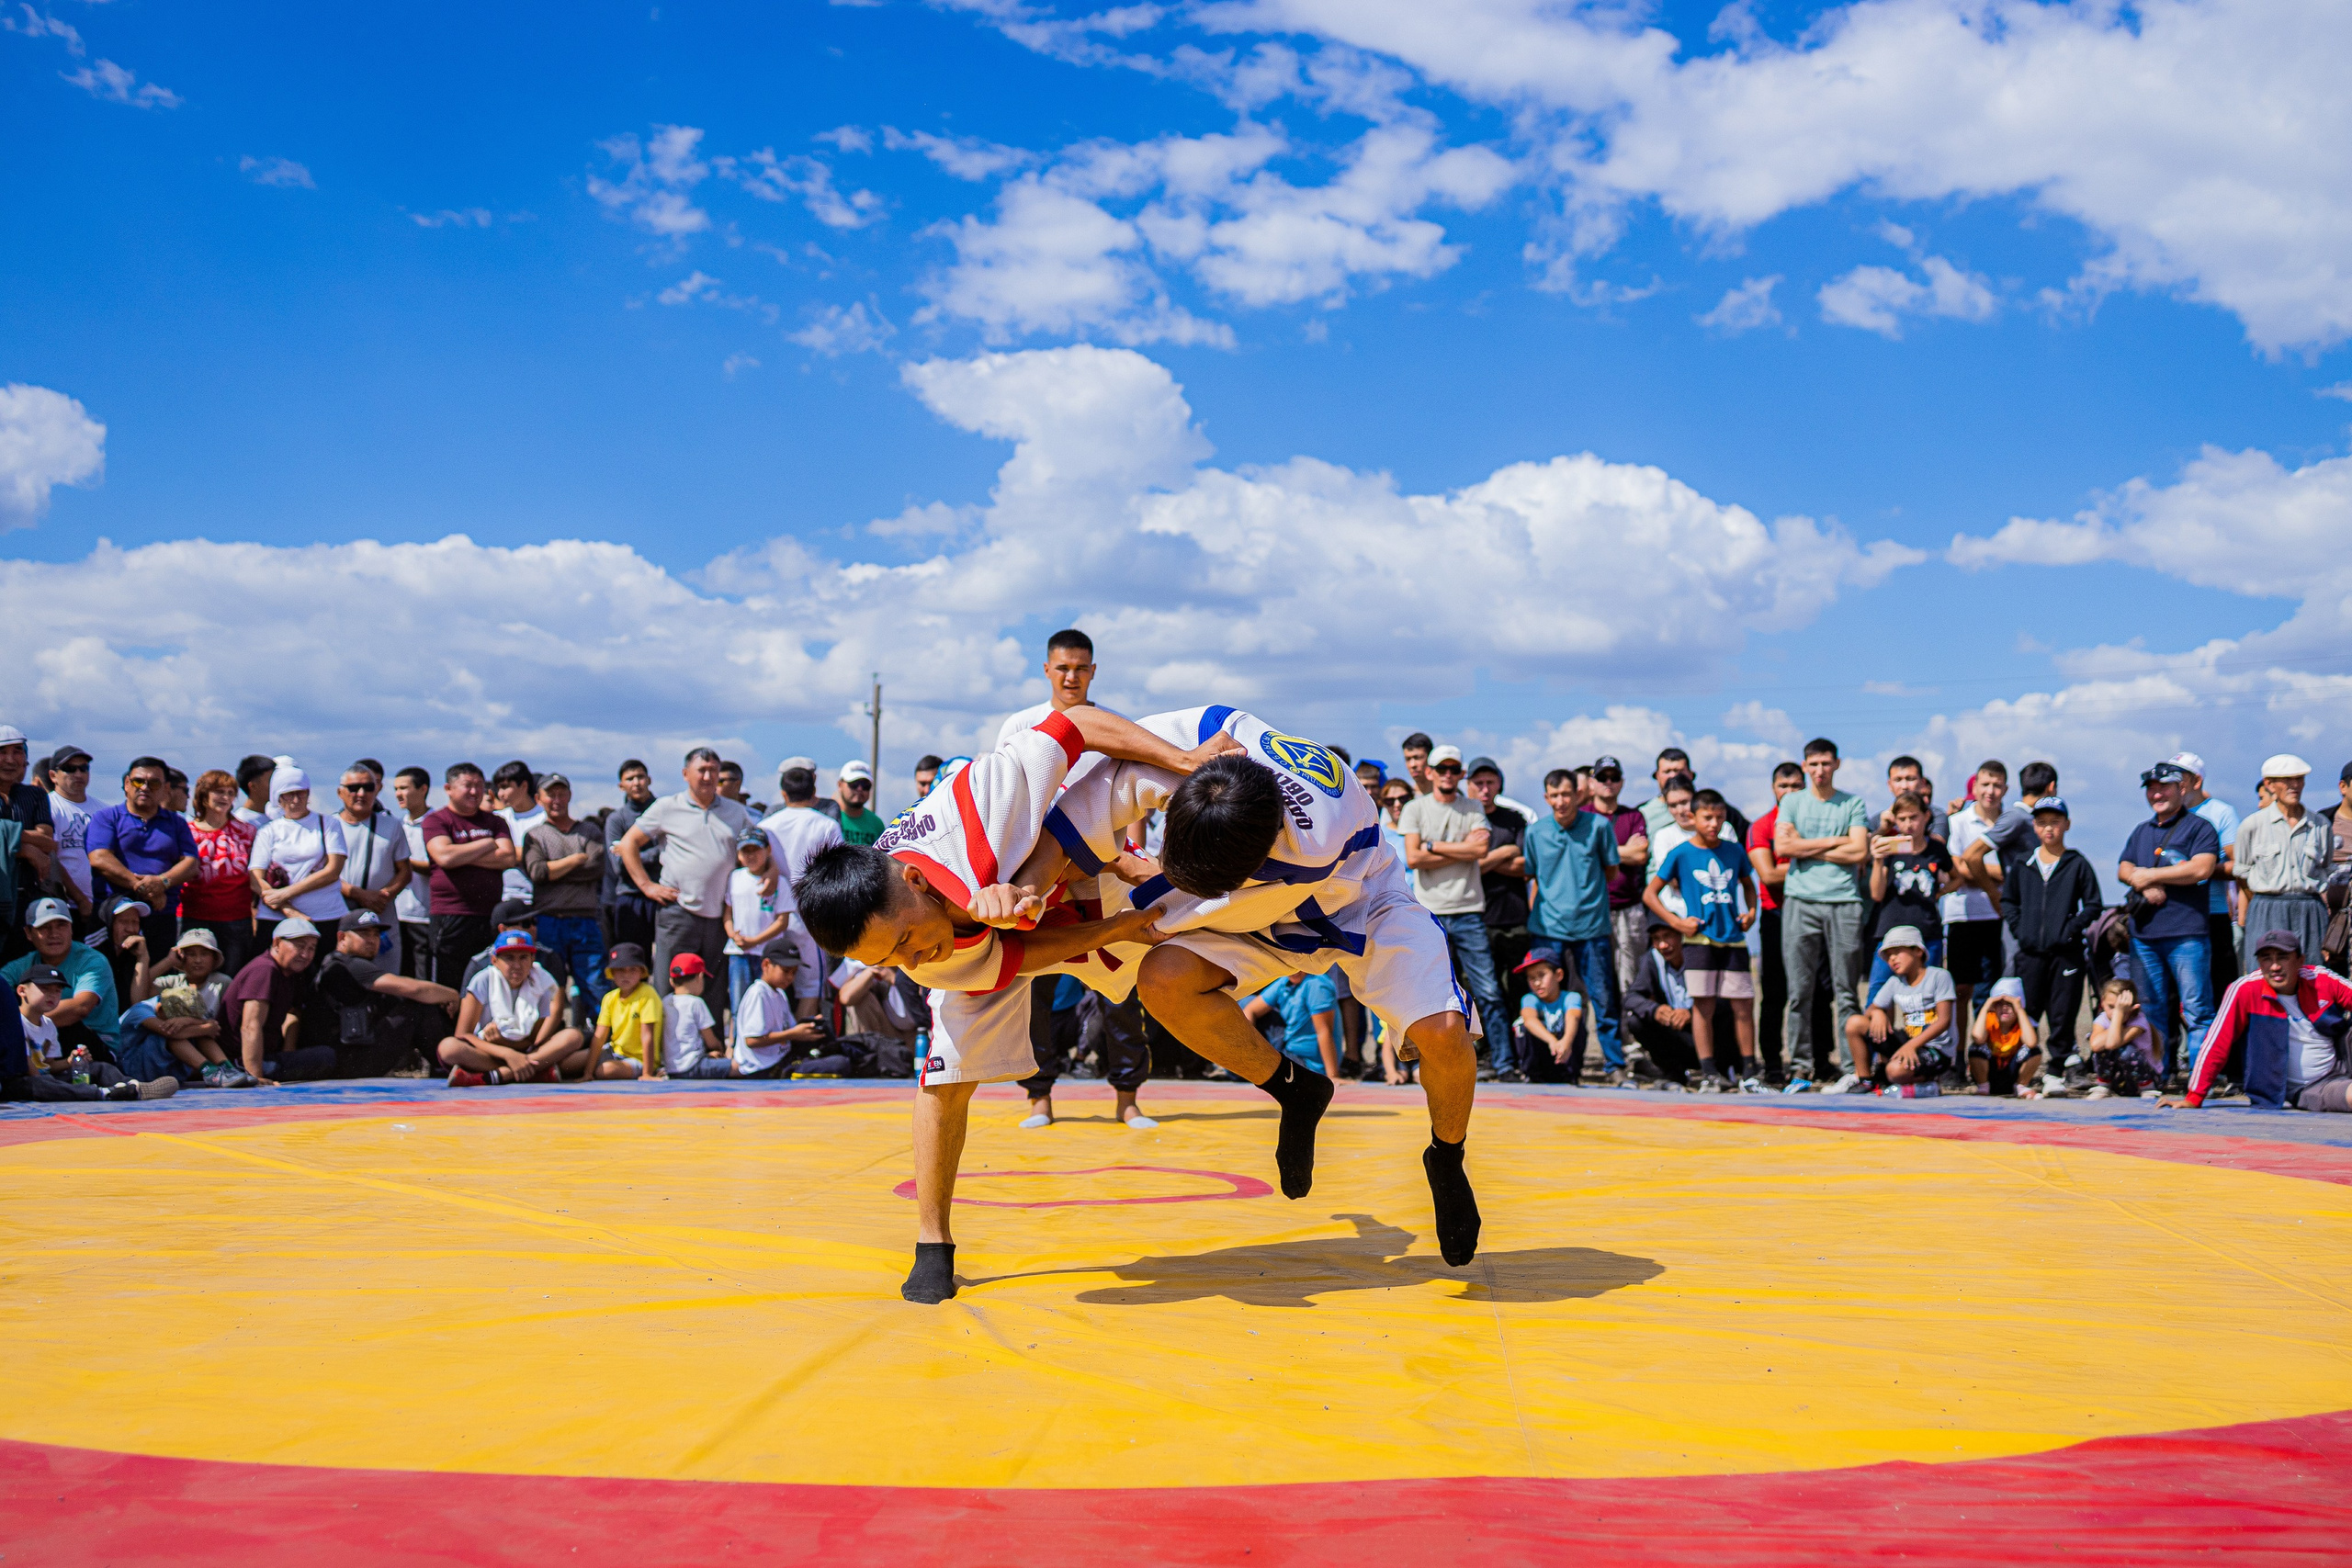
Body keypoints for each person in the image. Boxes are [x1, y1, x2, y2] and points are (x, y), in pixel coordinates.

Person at [791, 705, 1238, 1303]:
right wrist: (1113, 930)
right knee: (943, 1080)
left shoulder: (982, 808)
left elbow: (1073, 721)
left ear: (918, 883)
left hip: (1062, 848)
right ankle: (933, 1240)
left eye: (903, 941)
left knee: (1157, 790)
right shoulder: (925, 952)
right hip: (1016, 915)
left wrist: (1184, 759)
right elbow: (1019, 956)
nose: (912, 963)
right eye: (890, 961)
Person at [1400, 745, 1510, 1077]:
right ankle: (1432, 1063)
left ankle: (1504, 1064)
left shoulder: (1473, 805)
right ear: (1430, 772)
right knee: (1429, 994)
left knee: (1488, 989)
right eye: (1441, 768)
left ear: (1461, 773)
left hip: (1469, 911)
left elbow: (1479, 848)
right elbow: (1413, 858)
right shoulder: (1414, 808)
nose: (1448, 774)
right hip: (1430, 913)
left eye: (1453, 769)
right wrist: (1459, 851)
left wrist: (1432, 845)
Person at [619, 749, 757, 1008]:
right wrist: (646, 886)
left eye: (713, 771)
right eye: (701, 770)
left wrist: (770, 873)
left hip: (720, 916)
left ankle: (712, 1047)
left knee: (714, 989)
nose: (708, 776)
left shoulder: (737, 812)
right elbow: (628, 845)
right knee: (669, 986)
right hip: (678, 912)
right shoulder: (667, 807)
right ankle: (664, 1047)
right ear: (685, 774)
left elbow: (759, 850)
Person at [1645, 788, 1761, 1089]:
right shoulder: (1681, 853)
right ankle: (1708, 1071)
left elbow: (1749, 884)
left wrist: (1751, 912)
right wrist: (1676, 923)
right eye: (1707, 817)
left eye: (1719, 818)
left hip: (1733, 938)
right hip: (1698, 940)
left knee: (1743, 1005)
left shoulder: (1734, 850)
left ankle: (1750, 1069)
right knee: (1703, 1006)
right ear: (1692, 817)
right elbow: (1650, 893)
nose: (1714, 824)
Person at [2118, 760, 2223, 1079]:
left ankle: (2199, 1078)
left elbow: (2202, 868)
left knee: (2197, 1011)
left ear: (2182, 788)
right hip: (2145, 936)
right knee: (2150, 1010)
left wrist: (2149, 875)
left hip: (2187, 934)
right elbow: (2124, 869)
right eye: (2151, 788)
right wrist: (2144, 881)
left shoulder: (2200, 827)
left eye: (2164, 787)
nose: (2157, 794)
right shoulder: (2141, 831)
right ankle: (2157, 1076)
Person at [2172, 929, 2351, 1111]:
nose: (2275, 966)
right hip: (2313, 1087)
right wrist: (2194, 1097)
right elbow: (2216, 1043)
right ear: (2259, 962)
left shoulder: (2320, 978)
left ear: (2300, 961)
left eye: (2283, 957)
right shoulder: (2244, 990)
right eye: (2266, 958)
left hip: (2343, 1062)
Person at [1774, 739, 1869, 1081]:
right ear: (1804, 767)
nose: (1820, 770)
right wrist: (1837, 840)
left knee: (1846, 991)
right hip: (1801, 901)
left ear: (1837, 764)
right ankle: (1800, 1067)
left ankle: (1851, 1068)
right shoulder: (1792, 802)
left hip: (1844, 901)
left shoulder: (1852, 803)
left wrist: (1807, 848)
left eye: (1826, 763)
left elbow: (1860, 852)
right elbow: (1783, 846)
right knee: (1799, 991)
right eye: (1813, 764)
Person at [1524, 767, 1623, 1083]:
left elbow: (1611, 871)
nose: (1561, 801)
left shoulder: (1599, 826)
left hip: (1592, 927)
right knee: (1545, 996)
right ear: (1546, 797)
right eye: (1554, 795)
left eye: (1566, 794)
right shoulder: (1535, 832)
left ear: (1579, 794)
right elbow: (1533, 875)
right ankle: (1547, 1065)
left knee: (1603, 997)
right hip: (1548, 927)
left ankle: (1614, 1065)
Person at [1997, 795, 2100, 1082]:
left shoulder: (2076, 863)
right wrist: (2021, 930)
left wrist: (2069, 929)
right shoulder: (2023, 863)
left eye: (2055, 822)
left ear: (2067, 824)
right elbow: (2009, 901)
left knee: (2063, 1012)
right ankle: (2022, 1068)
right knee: (2028, 1011)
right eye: (2042, 823)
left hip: (2065, 953)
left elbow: (2092, 905)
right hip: (2030, 953)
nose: (2049, 828)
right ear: (2034, 826)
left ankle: (2061, 1067)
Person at [311, 912, 462, 1077]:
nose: (372, 939)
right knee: (417, 1009)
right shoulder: (350, 965)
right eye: (364, 933)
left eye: (376, 934)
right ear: (342, 938)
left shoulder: (335, 961)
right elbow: (413, 989)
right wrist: (453, 995)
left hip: (343, 1058)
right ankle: (449, 1066)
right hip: (348, 1062)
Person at [422, 762, 519, 990]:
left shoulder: (496, 822)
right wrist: (486, 843)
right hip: (450, 915)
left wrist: (460, 854)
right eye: (468, 786)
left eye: (479, 786)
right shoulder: (437, 820)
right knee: (448, 984)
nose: (475, 792)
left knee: (487, 982)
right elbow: (444, 856)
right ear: (448, 788)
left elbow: (507, 858)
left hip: (489, 915)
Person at [86, 755, 199, 953]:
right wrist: (146, 890)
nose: (145, 788)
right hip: (114, 913)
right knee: (110, 974)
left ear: (166, 789)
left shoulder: (177, 823)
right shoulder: (106, 817)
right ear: (127, 784)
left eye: (154, 783)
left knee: (157, 975)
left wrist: (162, 883)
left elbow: (191, 863)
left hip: (161, 914)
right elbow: (99, 858)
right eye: (138, 781)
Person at [2230, 755, 2333, 972]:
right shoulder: (2252, 825)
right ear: (2269, 784)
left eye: (2299, 779)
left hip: (2309, 908)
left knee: (2313, 973)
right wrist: (2263, 901)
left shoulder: (2320, 825)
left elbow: (2325, 867)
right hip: (2267, 906)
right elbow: (2242, 873)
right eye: (2287, 780)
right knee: (2264, 974)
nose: (2294, 786)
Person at [441, 929, 582, 1086]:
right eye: (509, 958)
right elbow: (463, 1034)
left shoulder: (543, 981)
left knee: (573, 1037)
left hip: (527, 1052)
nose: (517, 965)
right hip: (489, 1052)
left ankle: (501, 1075)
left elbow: (534, 1040)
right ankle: (534, 1073)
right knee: (449, 1048)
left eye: (523, 958)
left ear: (532, 959)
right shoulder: (482, 980)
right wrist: (506, 1053)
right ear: (494, 960)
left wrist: (508, 1045)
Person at [521, 773, 608, 1016]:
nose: (557, 800)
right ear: (539, 799)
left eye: (562, 794)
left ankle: (602, 1041)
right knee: (548, 986)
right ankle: (550, 1041)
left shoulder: (589, 831)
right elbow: (537, 873)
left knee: (595, 983)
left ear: (570, 796)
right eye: (551, 794)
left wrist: (554, 870)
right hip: (548, 919)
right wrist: (574, 860)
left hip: (585, 920)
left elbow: (596, 868)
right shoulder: (535, 835)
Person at [758, 764, 845, 994]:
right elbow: (836, 871)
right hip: (810, 913)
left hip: (770, 913)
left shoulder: (766, 826)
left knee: (768, 983)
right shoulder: (827, 825)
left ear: (783, 794)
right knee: (810, 985)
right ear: (814, 794)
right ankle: (805, 1028)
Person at [220, 916, 338, 1083]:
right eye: (299, 946)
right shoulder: (264, 970)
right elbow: (250, 1026)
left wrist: (288, 1052)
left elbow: (293, 1012)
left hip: (268, 1055)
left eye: (312, 948)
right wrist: (256, 1078)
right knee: (326, 1056)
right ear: (276, 944)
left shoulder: (293, 973)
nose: (306, 954)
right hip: (238, 1063)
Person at [2, 897, 121, 1058]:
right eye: (44, 927)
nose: (54, 934)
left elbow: (80, 1008)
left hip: (97, 1047)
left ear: (71, 929)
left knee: (64, 1028)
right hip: (45, 1046)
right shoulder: (23, 964)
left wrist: (21, 1024)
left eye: (61, 925)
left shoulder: (92, 960)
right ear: (29, 933)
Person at [246, 766, 349, 951]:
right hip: (276, 917)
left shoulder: (329, 824)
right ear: (278, 797)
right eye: (288, 794)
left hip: (324, 915)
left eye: (300, 793)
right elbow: (256, 879)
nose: (295, 800)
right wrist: (288, 909)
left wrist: (285, 894)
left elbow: (333, 871)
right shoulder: (268, 831)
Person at [1865, 793, 1956, 997]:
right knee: (1878, 993)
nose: (1908, 824)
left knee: (1928, 995)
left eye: (1913, 817)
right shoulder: (1890, 846)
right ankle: (1877, 1030)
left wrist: (1940, 892)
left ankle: (1922, 1031)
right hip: (1890, 931)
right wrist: (1878, 860)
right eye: (1902, 818)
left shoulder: (1936, 848)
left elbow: (1956, 877)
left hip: (1926, 932)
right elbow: (1876, 894)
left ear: (1926, 816)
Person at [1746, 761, 1804, 1080]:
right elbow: (1767, 875)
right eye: (1784, 786)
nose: (1790, 792)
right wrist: (1817, 859)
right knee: (1775, 992)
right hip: (1775, 915)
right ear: (1773, 789)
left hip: (1812, 909)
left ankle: (1815, 1060)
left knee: (1815, 991)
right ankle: (1771, 1063)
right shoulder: (1762, 825)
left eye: (1797, 786)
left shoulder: (1813, 821)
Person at [2168, 752, 2245, 996]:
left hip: (2213, 913)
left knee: (2220, 989)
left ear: (2196, 781)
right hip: (2174, 913)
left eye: (2178, 778)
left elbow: (2238, 865)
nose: (2171, 783)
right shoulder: (2166, 814)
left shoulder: (2222, 812)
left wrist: (2201, 869)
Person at [1848, 925, 1957, 1093]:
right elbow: (1870, 1010)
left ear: (1918, 951)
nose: (1892, 959)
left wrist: (1911, 1046)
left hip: (1936, 1049)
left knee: (1894, 1071)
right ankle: (1865, 1080)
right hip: (1909, 1042)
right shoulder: (1895, 982)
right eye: (1889, 955)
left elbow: (1944, 1021)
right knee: (1855, 1023)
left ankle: (1929, 1083)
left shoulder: (1939, 976)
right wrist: (1878, 1013)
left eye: (1897, 952)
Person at [1464, 758, 1534, 1020]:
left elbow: (1526, 867)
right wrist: (1505, 851)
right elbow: (1465, 866)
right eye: (1478, 783)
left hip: (1514, 917)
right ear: (1468, 785)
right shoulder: (1464, 818)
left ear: (1499, 784)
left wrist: (1480, 859)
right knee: (1480, 989)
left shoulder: (1514, 819)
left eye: (1490, 782)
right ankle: (1487, 1052)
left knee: (1518, 986)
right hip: (1476, 916)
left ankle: (1519, 1047)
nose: (1484, 789)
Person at [1585, 756, 1652, 1010]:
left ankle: (1632, 1041)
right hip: (1593, 908)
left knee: (1631, 976)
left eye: (1614, 778)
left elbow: (1640, 855)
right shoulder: (1583, 817)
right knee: (1600, 979)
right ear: (1592, 783)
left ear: (1622, 782)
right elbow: (1583, 856)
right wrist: (1623, 851)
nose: (1608, 783)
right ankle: (1609, 1042)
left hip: (1629, 907)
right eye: (1603, 778)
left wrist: (1601, 852)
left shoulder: (1633, 816)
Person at [181, 769, 260, 976]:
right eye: (219, 792)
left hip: (235, 920)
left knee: (231, 979)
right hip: (193, 917)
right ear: (203, 795)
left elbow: (256, 875)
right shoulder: (186, 831)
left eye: (230, 793)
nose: (225, 797)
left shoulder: (247, 832)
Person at [333, 764, 410, 972]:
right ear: (340, 792)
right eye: (354, 788)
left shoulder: (391, 825)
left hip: (381, 913)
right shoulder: (329, 825)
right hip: (343, 913)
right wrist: (357, 894)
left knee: (386, 976)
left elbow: (404, 870)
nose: (361, 793)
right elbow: (321, 872)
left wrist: (384, 895)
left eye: (368, 787)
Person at [732, 942, 840, 1076]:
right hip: (762, 1068)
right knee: (839, 1065)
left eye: (794, 972)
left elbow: (789, 1029)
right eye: (785, 971)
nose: (790, 977)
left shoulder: (780, 994)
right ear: (766, 965)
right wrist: (793, 1034)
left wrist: (809, 1024)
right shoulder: (759, 993)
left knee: (836, 1055)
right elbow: (752, 1040)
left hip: (782, 1060)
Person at [0, 725, 60, 957]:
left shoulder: (34, 795)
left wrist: (10, 837)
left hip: (28, 898)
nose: (10, 760)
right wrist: (26, 849)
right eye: (3, 752)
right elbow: (39, 842)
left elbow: (48, 842)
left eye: (17, 752)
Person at [722, 825, 791, 1019]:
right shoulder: (734, 878)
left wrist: (756, 940)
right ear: (738, 854)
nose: (751, 856)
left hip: (767, 956)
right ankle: (736, 1047)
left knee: (767, 1005)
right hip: (739, 953)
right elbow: (728, 913)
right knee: (739, 1005)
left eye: (756, 849)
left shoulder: (780, 882)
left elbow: (782, 921)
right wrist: (732, 934)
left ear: (768, 850)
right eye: (746, 851)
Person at [1623, 920, 1697, 1079]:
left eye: (1667, 936)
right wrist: (1654, 1009)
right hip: (1676, 1034)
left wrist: (1693, 1014)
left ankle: (1722, 1070)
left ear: (1681, 935)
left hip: (1706, 1035)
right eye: (1656, 939)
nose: (1662, 945)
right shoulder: (1652, 958)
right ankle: (1673, 1072)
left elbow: (1724, 1003)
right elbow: (1631, 997)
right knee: (1635, 1021)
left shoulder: (1699, 954)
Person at [603, 759, 661, 954]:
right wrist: (658, 853)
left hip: (664, 894)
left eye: (640, 777)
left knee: (667, 958)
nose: (636, 782)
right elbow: (619, 865)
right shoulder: (616, 820)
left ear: (649, 780)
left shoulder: (664, 811)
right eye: (630, 779)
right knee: (633, 960)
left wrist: (630, 852)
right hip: (630, 898)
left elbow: (672, 853)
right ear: (621, 786)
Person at [584, 941, 666, 1078]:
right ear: (612, 973)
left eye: (632, 969)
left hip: (639, 1060)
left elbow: (647, 1036)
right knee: (571, 1062)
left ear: (641, 972)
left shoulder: (647, 994)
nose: (626, 975)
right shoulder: (610, 998)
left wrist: (647, 1073)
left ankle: (650, 1071)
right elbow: (599, 1037)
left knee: (605, 1070)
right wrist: (587, 1073)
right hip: (614, 1053)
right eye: (621, 970)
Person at [1243, 970, 1341, 1080]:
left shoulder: (1317, 984)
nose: (1295, 970)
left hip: (1307, 1064)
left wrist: (1333, 1076)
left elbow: (1324, 1031)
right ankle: (1246, 1064)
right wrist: (1248, 1048)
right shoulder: (1285, 981)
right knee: (1245, 1003)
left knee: (1243, 1004)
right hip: (1289, 1050)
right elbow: (1250, 1010)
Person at [650, 949, 730, 1077]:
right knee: (739, 1067)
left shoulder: (665, 1002)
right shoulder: (696, 1003)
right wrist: (719, 1050)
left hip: (671, 1069)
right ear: (699, 977)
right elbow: (711, 1041)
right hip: (695, 1066)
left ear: (671, 981)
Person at [1513, 947, 1585, 1085]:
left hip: (1565, 1055)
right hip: (1543, 1057)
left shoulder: (1571, 997)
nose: (1537, 983)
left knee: (1576, 1024)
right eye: (1531, 978)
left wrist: (1566, 1042)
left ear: (1558, 975)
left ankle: (1570, 1075)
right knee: (1521, 1025)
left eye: (1542, 975)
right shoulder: (1529, 999)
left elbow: (1573, 1016)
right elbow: (1529, 1020)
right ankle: (1532, 1075)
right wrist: (1552, 1041)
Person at [390, 767, 435, 979]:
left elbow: (435, 866)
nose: (398, 794)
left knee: (423, 975)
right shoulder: (396, 825)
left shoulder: (436, 823)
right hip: (397, 914)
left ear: (423, 789)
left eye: (404, 788)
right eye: (396, 789)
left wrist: (404, 864)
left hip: (424, 915)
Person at [2085, 976, 2162, 1098]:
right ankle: (2103, 1086)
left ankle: (2147, 1088)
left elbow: (2112, 1044)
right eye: (2111, 1007)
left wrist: (2118, 1015)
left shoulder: (2139, 1022)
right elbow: (2095, 1046)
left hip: (2146, 1077)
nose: (2115, 1012)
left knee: (2125, 1051)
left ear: (2133, 1007)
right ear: (2102, 1002)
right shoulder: (2102, 1019)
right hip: (2121, 1079)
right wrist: (2120, 1014)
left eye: (2121, 1007)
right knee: (2100, 1049)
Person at [42, 743, 95, 920]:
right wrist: (80, 899)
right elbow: (51, 857)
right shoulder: (47, 806)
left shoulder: (102, 810)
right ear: (53, 775)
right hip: (64, 905)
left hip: (100, 903)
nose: (78, 774)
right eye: (69, 769)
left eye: (83, 768)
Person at [1967, 976, 2043, 1096]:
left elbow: (2031, 1043)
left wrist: (2019, 1008)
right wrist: (1986, 1006)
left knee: (2034, 1051)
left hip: (2011, 1073)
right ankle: (1983, 1086)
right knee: (1976, 1048)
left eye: (2009, 1004)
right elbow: (1977, 1037)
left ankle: (2021, 1086)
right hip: (1991, 1074)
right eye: (1999, 1004)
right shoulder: (1990, 1019)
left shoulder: (2022, 1022)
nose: (2004, 1008)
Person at [91, 894, 156, 1010]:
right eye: (123, 922)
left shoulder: (134, 951)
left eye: (135, 922)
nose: (130, 929)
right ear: (110, 923)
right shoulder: (93, 951)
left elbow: (138, 1004)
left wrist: (143, 958)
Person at [490, 761, 543, 904]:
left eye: (505, 787)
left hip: (538, 898)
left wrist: (507, 853)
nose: (500, 794)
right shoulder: (498, 818)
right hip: (505, 898)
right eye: (498, 788)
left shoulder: (544, 818)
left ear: (524, 786)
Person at [835, 760, 886, 846]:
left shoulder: (876, 823)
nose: (859, 789)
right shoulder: (828, 818)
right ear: (840, 785)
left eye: (865, 785)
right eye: (854, 784)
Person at [232, 755, 277, 826]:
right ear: (253, 786)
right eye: (271, 781)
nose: (276, 785)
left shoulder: (274, 817)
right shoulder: (241, 822)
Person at [1399, 732, 1434, 796]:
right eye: (1408, 759)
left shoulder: (1449, 794)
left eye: (1417, 758)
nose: (1412, 765)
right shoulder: (1403, 798)